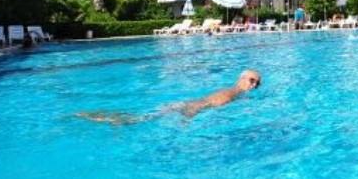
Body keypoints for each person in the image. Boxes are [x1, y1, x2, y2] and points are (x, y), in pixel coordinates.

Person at [76, 69, 262, 125]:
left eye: (257, 84)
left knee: (143, 118)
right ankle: (110, 118)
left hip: (186, 104)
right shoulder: (233, 92)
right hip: (192, 106)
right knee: (140, 120)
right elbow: (210, 103)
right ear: (241, 78)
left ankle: (106, 117)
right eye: (252, 80)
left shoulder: (236, 93)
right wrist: (188, 118)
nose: (254, 85)